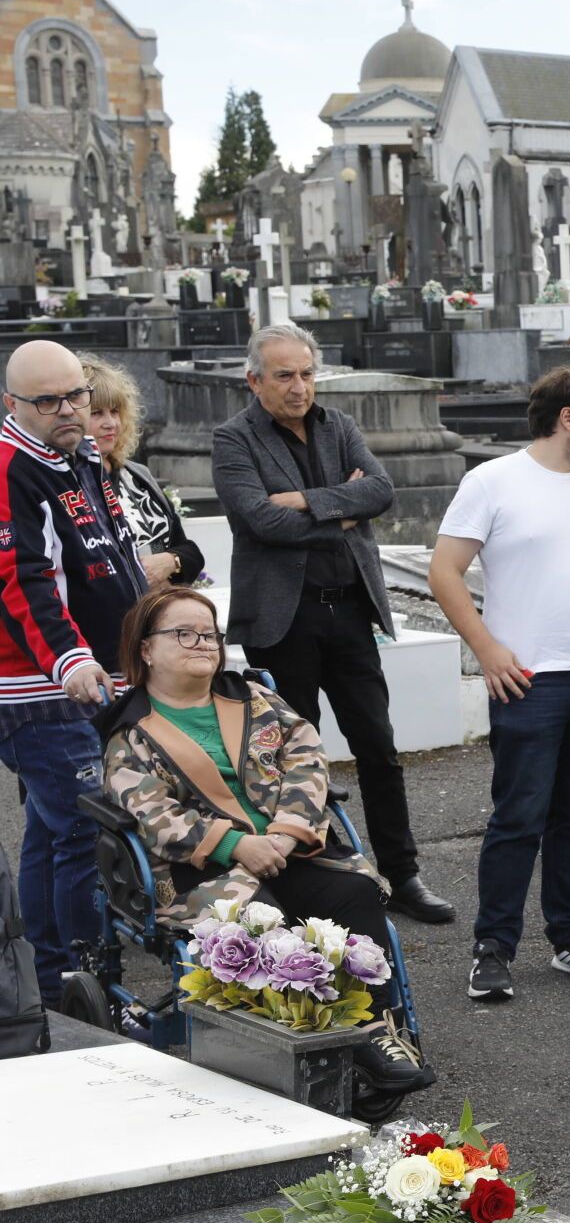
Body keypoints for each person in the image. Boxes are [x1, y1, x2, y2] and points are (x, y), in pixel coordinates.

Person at [98, 585, 432, 1095]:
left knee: (354, 894)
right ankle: (311, 1044)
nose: (203, 644)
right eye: (183, 633)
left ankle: (378, 1034)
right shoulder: (131, 734)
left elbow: (307, 754)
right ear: (146, 649)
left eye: (209, 634)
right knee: (262, 921)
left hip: (288, 846)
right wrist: (236, 845)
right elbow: (151, 815)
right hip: (203, 870)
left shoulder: (251, 695)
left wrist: (285, 831)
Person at [430, 366, 570, 1002]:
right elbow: (444, 571)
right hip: (529, 681)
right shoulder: (493, 481)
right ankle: (492, 947)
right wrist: (487, 650)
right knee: (517, 819)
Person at [211, 324, 452, 925]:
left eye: (308, 374)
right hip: (282, 619)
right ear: (255, 380)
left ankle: (403, 874)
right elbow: (260, 522)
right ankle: (316, 881)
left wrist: (300, 500)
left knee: (378, 747)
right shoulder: (232, 438)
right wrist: (337, 509)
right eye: (285, 376)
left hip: (347, 611)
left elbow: (380, 491)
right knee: (296, 759)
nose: (299, 388)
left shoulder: (339, 426)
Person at [0, 339, 145, 1006]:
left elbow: (114, 552)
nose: (68, 409)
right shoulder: (11, 469)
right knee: (86, 826)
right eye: (48, 400)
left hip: (98, 672)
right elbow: (22, 581)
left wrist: (151, 629)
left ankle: (51, 973)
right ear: (12, 404)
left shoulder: (80, 455)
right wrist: (70, 658)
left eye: (75, 395)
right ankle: (89, 979)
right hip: (40, 687)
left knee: (54, 829)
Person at [80, 356, 204, 590]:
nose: (111, 423)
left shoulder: (137, 476)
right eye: (96, 413)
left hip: (162, 614)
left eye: (115, 412)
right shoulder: (64, 485)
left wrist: (170, 562)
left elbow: (190, 552)